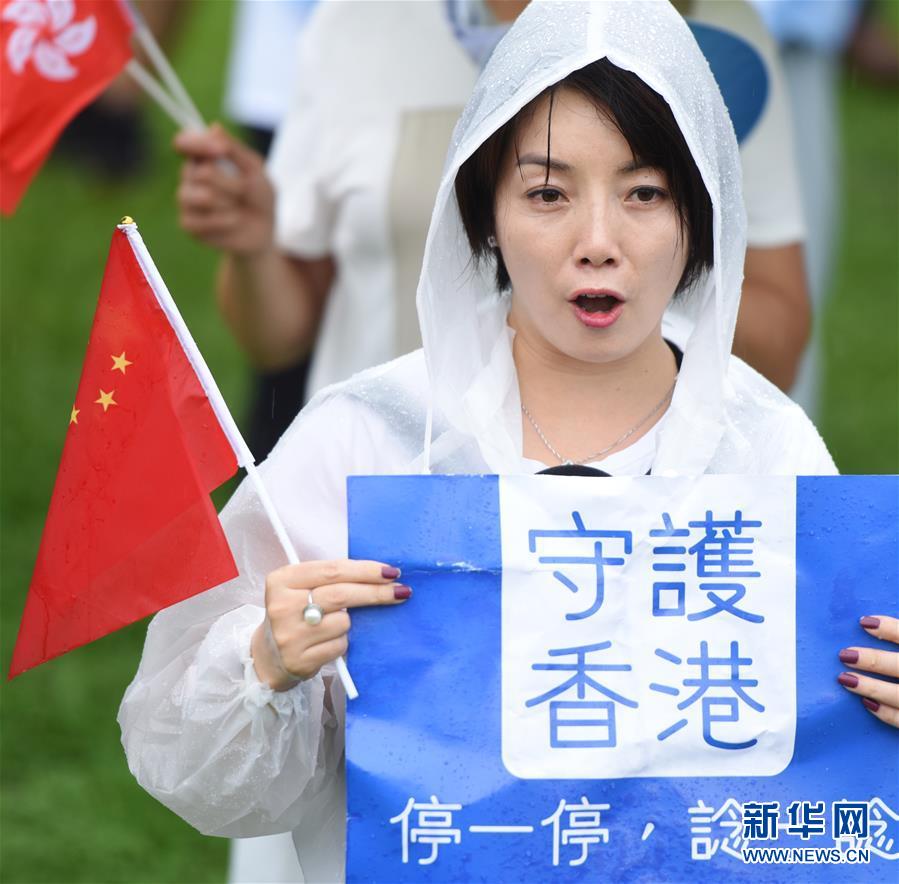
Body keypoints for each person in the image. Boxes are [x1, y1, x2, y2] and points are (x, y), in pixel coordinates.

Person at [120, 2, 896, 882]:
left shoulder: (761, 448)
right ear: (484, 212)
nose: (597, 243)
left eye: (644, 193)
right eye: (547, 194)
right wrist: (266, 662)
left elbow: (819, 807)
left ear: (699, 214)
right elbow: (201, 765)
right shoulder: (372, 438)